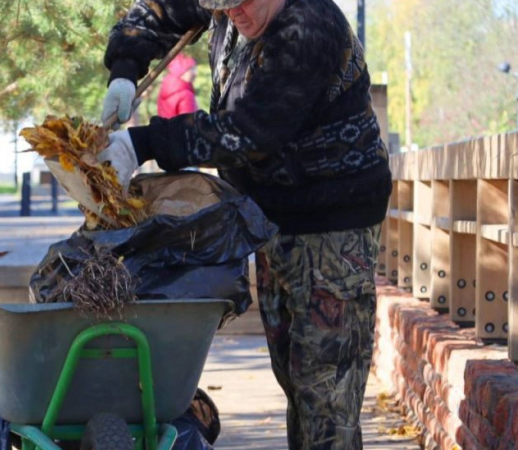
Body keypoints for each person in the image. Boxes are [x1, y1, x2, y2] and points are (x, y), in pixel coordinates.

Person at [98, 0, 392, 448]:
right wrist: (125, 66)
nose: (231, 12)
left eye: (242, 1)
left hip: (334, 222)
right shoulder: (232, 8)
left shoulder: (308, 27)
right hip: (270, 218)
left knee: (325, 396)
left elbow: (250, 132)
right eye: (220, 4)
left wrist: (144, 143)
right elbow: (156, 11)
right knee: (293, 376)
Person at [157, 53, 199, 119]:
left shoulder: (166, 89)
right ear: (181, 71)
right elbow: (188, 125)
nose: (195, 73)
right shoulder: (186, 94)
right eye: (191, 69)